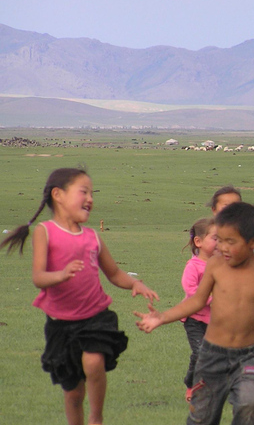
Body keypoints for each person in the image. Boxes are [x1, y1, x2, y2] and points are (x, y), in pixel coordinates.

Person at [0, 167, 159, 425]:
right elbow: (38, 277)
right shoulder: (45, 232)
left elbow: (115, 273)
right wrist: (60, 275)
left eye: (92, 193)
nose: (91, 199)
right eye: (84, 192)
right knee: (73, 392)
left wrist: (135, 283)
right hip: (61, 325)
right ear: (58, 195)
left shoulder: (93, 237)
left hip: (95, 316)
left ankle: (96, 418)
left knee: (94, 361)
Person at [134, 201, 254, 425]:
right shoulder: (215, 266)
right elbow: (197, 301)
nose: (223, 247)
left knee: (249, 406)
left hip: (248, 356)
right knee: (202, 418)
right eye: (219, 240)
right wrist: (162, 317)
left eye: (231, 241)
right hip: (211, 356)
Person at [181, 217, 218, 401]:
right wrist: (212, 298)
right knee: (200, 352)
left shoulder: (219, 265)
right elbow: (190, 289)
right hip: (194, 318)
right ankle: (191, 383)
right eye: (215, 238)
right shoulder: (193, 266)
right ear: (199, 242)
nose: (219, 243)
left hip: (213, 320)